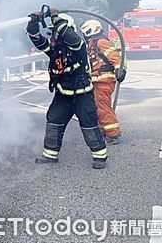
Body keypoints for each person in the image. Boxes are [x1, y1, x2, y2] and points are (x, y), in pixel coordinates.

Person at [26, 9, 108, 169]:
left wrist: (55, 17)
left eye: (56, 32)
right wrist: (33, 23)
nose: (54, 36)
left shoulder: (79, 45)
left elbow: (70, 37)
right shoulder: (55, 49)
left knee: (88, 124)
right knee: (54, 121)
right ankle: (50, 155)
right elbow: (37, 40)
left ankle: (100, 156)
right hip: (63, 95)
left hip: (82, 95)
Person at [80, 20, 125, 144]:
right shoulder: (93, 43)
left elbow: (115, 57)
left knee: (103, 107)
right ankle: (104, 131)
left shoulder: (101, 42)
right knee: (98, 107)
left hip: (104, 80)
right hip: (97, 81)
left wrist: (120, 70)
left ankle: (112, 134)